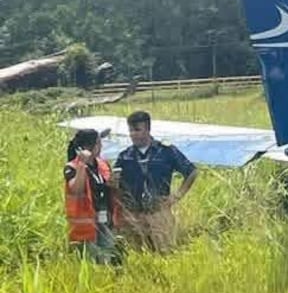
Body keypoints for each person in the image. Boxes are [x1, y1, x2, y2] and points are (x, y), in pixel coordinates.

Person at [114, 110, 198, 253]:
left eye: (137, 130)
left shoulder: (166, 151)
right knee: (138, 254)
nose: (133, 134)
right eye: (131, 130)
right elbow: (117, 184)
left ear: (147, 129)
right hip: (134, 214)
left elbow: (191, 172)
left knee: (165, 253)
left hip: (159, 212)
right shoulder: (125, 156)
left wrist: (176, 196)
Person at [63, 127, 121, 265]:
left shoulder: (102, 164)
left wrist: (112, 183)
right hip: (86, 223)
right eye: (99, 143)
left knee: (108, 253)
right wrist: (82, 164)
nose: (101, 147)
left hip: (104, 217)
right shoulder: (72, 167)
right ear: (89, 147)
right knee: (91, 259)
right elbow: (76, 189)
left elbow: (105, 186)